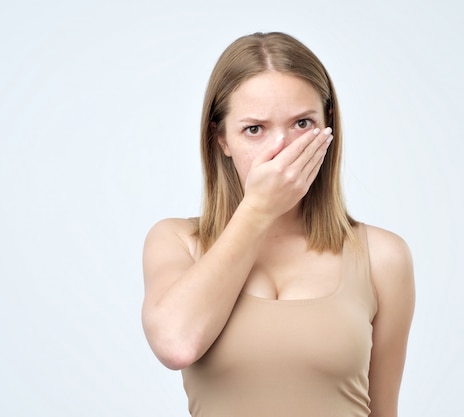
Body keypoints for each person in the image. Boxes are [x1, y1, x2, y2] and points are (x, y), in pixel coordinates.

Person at [141, 32, 415, 417]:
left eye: (302, 123)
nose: (282, 149)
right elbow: (176, 344)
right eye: (255, 129)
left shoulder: (382, 256)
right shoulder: (178, 242)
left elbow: (383, 411)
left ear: (328, 128)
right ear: (220, 138)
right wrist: (257, 210)